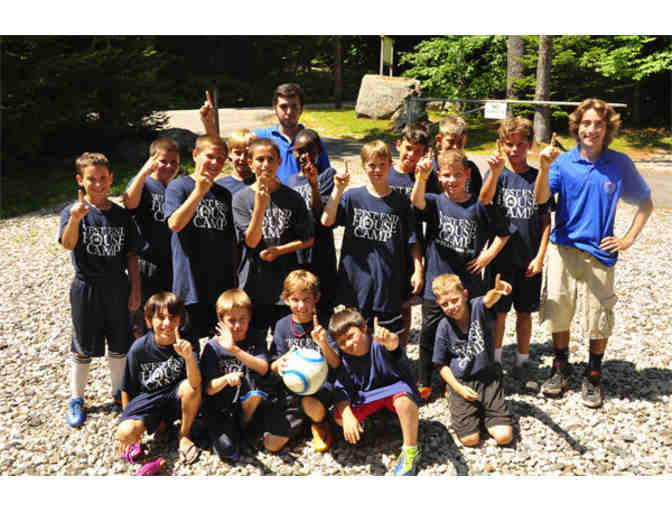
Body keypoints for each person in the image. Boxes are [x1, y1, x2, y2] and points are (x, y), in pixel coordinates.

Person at [534, 98, 653, 408]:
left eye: (598, 124)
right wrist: (544, 168)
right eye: (586, 123)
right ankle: (560, 368)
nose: (591, 129)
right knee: (559, 311)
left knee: (598, 317)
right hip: (563, 249)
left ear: (607, 128)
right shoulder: (563, 162)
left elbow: (645, 203)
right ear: (577, 127)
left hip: (599, 253)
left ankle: (593, 375)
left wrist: (627, 239)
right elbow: (541, 198)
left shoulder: (619, 163)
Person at [411, 149, 513, 399]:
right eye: (446, 175)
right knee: (429, 331)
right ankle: (424, 379)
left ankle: (456, 378)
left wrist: (487, 256)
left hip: (468, 284)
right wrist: (421, 178)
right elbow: (417, 201)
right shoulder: (435, 201)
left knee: (462, 334)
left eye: (457, 174)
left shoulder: (479, 205)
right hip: (436, 282)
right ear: (438, 176)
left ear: (467, 174)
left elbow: (504, 233)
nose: (452, 180)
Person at [59, 152, 142, 427]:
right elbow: (67, 244)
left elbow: (132, 255)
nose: (98, 184)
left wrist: (135, 289)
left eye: (103, 178)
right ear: (80, 181)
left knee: (119, 342)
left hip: (117, 286)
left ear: (111, 179)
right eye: (91, 179)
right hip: (87, 287)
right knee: (83, 345)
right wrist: (75, 219)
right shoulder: (73, 212)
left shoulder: (121, 216)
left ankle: (119, 393)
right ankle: (76, 398)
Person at [321, 140, 423, 337]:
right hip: (356, 280)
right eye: (372, 165)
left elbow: (413, 240)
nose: (377, 170)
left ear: (390, 165)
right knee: (356, 334)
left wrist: (418, 270)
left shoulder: (401, 202)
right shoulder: (352, 197)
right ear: (363, 166)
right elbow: (327, 220)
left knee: (387, 336)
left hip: (388, 281)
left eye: (383, 165)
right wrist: (338, 190)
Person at [479, 117, 552, 387]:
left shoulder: (537, 177)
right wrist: (495, 172)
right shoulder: (496, 173)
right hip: (500, 258)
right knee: (498, 312)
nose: (514, 150)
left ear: (529, 144)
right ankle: (496, 360)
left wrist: (540, 256)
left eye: (521, 144)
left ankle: (522, 361)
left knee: (524, 312)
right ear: (501, 144)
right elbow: (484, 199)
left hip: (528, 258)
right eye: (509, 144)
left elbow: (546, 220)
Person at [232, 138, 314, 336]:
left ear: (279, 162)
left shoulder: (292, 197)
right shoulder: (241, 198)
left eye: (270, 159)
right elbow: (251, 241)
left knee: (285, 339)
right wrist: (260, 206)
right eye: (260, 159)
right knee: (253, 339)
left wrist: (280, 250)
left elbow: (308, 239)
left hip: (286, 285)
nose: (265, 164)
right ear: (250, 163)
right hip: (254, 283)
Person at [329, 307, 421, 476]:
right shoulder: (345, 359)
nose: (348, 344)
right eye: (341, 342)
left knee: (403, 400)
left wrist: (390, 340)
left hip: (395, 393)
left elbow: (394, 346)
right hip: (369, 399)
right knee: (340, 415)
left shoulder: (380, 344)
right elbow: (341, 390)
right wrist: (348, 416)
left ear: (364, 327)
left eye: (351, 336)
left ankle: (411, 449)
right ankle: (368, 425)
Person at [200, 289, 291, 461]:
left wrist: (234, 349)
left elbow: (263, 368)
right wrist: (225, 379)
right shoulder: (212, 347)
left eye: (243, 319)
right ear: (220, 319)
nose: (237, 326)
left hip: (253, 402)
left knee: (278, 430)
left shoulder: (255, 338)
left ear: (250, 317)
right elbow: (209, 389)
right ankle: (239, 432)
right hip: (224, 407)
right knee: (228, 452)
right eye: (231, 320)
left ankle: (248, 426)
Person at [164, 135, 236, 344]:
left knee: (221, 344)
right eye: (210, 156)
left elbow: (230, 240)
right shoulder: (178, 186)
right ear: (195, 155)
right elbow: (174, 224)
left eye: (221, 159)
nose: (215, 163)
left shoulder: (224, 194)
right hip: (190, 283)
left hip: (219, 282)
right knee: (188, 344)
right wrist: (199, 192)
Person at [116, 292, 202, 465]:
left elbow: (195, 384)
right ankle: (161, 425)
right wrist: (127, 419)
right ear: (149, 320)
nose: (167, 323)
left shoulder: (187, 342)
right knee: (124, 432)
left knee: (190, 388)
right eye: (160, 318)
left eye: (173, 317)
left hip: (176, 398)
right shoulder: (139, 348)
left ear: (180, 319)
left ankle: (184, 435)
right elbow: (126, 388)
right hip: (150, 400)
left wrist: (188, 357)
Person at [432, 273, 514, 447]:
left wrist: (497, 291)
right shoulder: (443, 327)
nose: (451, 307)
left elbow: (489, 299)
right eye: (445, 304)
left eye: (455, 300)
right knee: (470, 440)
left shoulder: (477, 307)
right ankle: (468, 408)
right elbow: (440, 364)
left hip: (488, 378)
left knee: (504, 436)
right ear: (439, 304)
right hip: (462, 381)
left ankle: (486, 411)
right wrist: (459, 388)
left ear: (465, 295)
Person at [270, 270, 341, 452]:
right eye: (295, 300)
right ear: (285, 299)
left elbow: (336, 363)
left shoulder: (326, 322)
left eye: (306, 299)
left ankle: (320, 422)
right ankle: (302, 424)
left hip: (321, 388)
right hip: (292, 390)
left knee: (310, 403)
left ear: (316, 298)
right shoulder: (281, 326)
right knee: (271, 444)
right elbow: (274, 365)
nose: (301, 305)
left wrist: (323, 343)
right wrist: (279, 365)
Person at [387, 121, 440, 347]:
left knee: (404, 305)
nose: (411, 155)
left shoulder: (428, 178)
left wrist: (420, 264)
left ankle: (401, 352)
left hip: (411, 248)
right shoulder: (386, 173)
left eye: (418, 151)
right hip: (385, 245)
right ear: (399, 145)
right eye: (408, 148)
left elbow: (433, 214)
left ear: (425, 153)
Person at [123, 137, 181, 338]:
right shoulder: (144, 183)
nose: (169, 166)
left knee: (166, 315)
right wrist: (143, 172)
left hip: (170, 262)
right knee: (145, 316)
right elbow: (129, 202)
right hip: (146, 263)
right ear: (152, 160)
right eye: (163, 161)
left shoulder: (174, 188)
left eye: (174, 162)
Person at [286, 128, 338, 315]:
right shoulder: (290, 182)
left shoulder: (328, 175)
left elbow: (320, 214)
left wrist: (314, 185)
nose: (304, 156)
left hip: (321, 252)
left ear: (318, 151)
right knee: (300, 304)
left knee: (322, 305)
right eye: (299, 151)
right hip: (297, 254)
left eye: (309, 151)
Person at [254, 83, 330, 184]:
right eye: (283, 106)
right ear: (275, 108)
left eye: (294, 106)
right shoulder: (260, 138)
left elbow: (326, 176)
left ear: (301, 109)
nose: (289, 112)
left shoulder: (311, 140)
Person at [199, 90, 257, 194]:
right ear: (229, 153)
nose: (242, 158)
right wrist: (208, 122)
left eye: (247, 154)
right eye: (238, 153)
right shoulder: (220, 186)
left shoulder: (262, 182)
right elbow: (216, 146)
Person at [434, 115, 483, 196]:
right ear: (439, 139)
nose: (455, 147)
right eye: (451, 141)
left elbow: (479, 198)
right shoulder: (428, 168)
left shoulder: (471, 168)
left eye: (460, 142)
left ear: (465, 140)